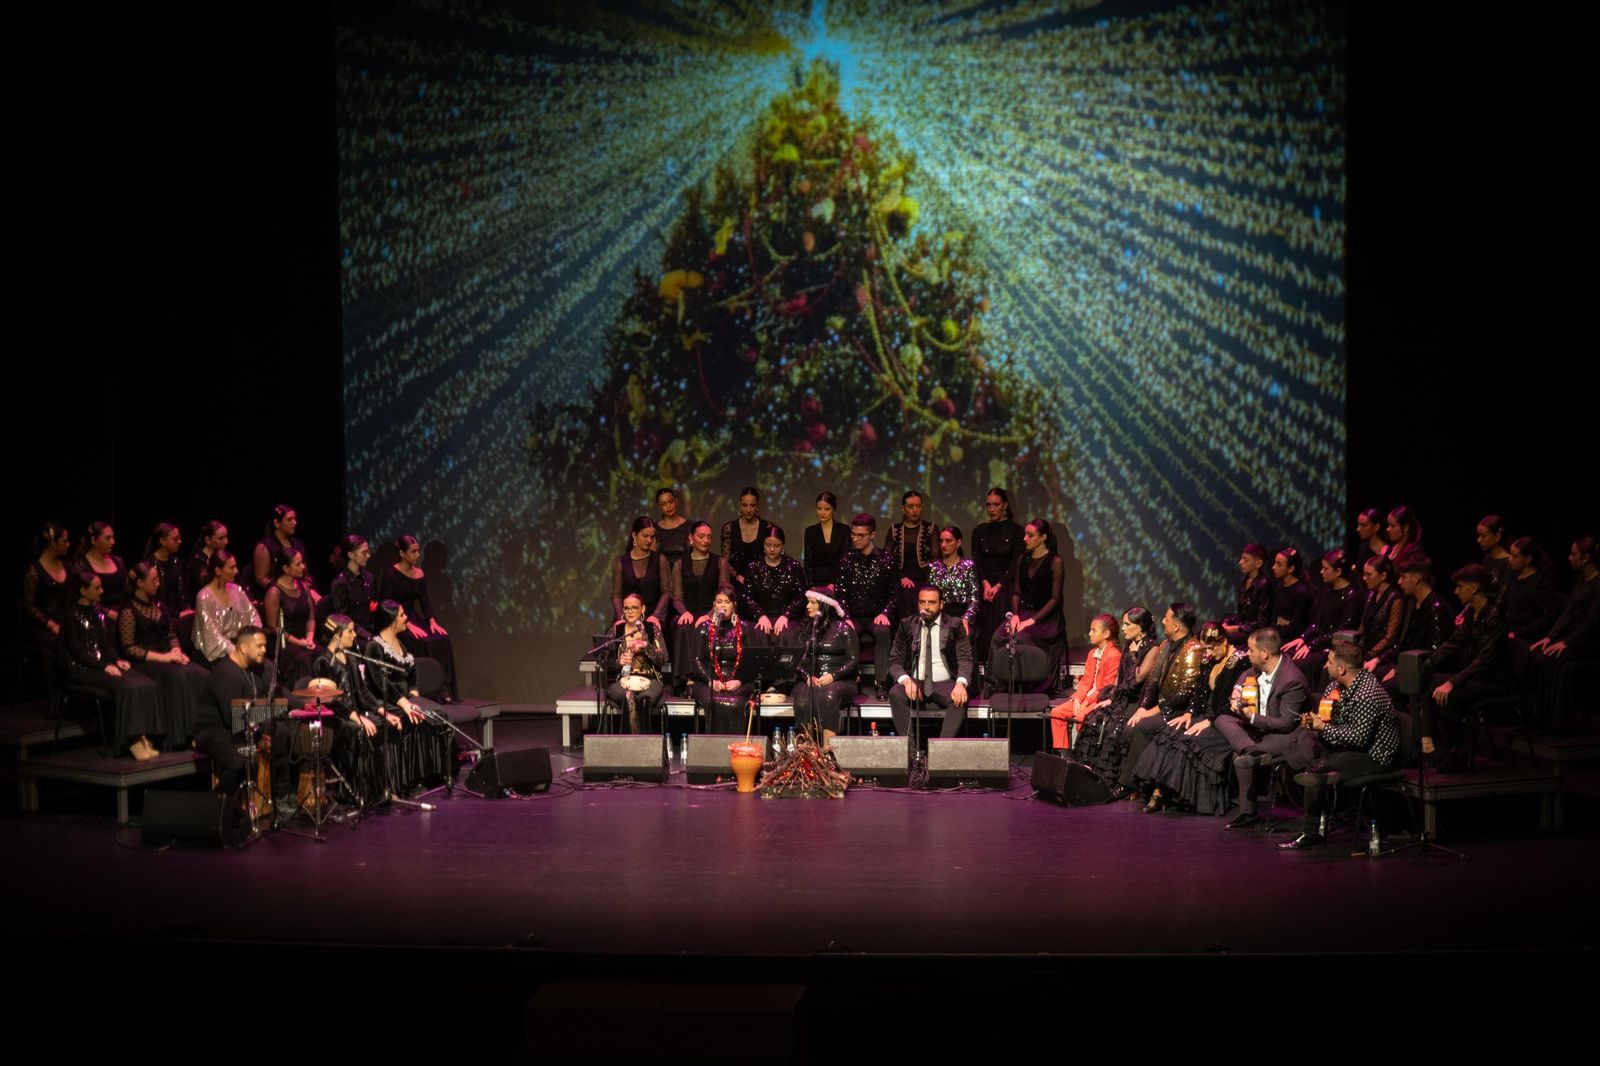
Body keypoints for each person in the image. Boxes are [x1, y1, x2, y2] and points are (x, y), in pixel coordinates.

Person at [1277, 643, 1401, 850]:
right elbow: (1328, 720)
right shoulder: (1334, 686)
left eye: (1330, 662)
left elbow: (1359, 739)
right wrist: (1316, 722)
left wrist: (1323, 729)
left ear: (1342, 668)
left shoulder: (1367, 693)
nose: (1326, 666)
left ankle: (1310, 830)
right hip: (1343, 746)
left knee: (1318, 767)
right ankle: (1318, 769)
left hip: (1373, 755)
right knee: (1299, 742)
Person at [1128, 621, 1249, 815]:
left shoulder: (1241, 661)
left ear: (1224, 641)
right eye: (1205, 648)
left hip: (1225, 720)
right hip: (1203, 715)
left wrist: (1210, 720)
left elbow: (1236, 701)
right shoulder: (1209, 660)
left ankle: (1166, 795)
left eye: (1212, 648)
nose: (1208, 653)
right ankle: (1159, 793)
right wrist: (1189, 713)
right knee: (1169, 733)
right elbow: (1199, 691)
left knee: (1188, 741)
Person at [191, 626, 293, 817]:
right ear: (244, 647)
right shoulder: (226, 673)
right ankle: (213, 806)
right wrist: (259, 733)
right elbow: (233, 718)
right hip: (214, 730)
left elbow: (268, 701)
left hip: (239, 725)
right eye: (259, 645)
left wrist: (299, 705)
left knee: (280, 732)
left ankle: (280, 796)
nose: (264, 650)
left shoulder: (252, 670)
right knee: (244, 757)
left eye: (265, 645)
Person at [63, 571, 164, 760]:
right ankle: (131, 740)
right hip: (81, 668)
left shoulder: (98, 612)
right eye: (97, 587)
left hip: (103, 663)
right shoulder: (70, 616)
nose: (102, 591)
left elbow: (106, 644)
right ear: (83, 591)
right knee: (126, 686)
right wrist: (103, 667)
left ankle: (143, 736)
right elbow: (77, 651)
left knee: (144, 683)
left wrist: (117, 660)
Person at [1220, 627, 1312, 828]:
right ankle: (1249, 748)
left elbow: (1286, 724)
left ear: (1264, 653)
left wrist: (1251, 717)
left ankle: (1248, 813)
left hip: (1286, 736)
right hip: (1260, 730)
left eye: (1251, 650)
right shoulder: (1258, 668)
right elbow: (1245, 674)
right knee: (1221, 718)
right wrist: (1237, 690)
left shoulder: (1292, 680)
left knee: (1239, 756)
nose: (1247, 654)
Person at [1114, 603, 1208, 796]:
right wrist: (1142, 707)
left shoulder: (1194, 648)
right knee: (1131, 722)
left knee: (1142, 727)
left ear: (1176, 626)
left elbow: (1182, 692)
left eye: (1166, 618)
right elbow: (1152, 680)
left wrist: (1153, 711)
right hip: (1162, 705)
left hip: (1180, 710)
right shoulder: (1165, 645)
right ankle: (1134, 781)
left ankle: (1130, 784)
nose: (1162, 621)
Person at [1425, 566, 1511, 772]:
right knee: (1427, 681)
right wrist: (1424, 665)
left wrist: (1452, 681)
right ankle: (1433, 745)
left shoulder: (1494, 615)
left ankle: (1454, 754)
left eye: (1460, 587)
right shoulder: (1473, 613)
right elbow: (1453, 642)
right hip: (1476, 678)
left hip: (1494, 681)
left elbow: (1484, 660)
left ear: (1473, 588)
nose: (1455, 591)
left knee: (1452, 696)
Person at [311, 613, 400, 810]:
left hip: (355, 714)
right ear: (336, 635)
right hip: (335, 719)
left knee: (383, 726)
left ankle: (381, 789)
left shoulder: (351, 658)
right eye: (350, 631)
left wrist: (382, 711)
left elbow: (362, 692)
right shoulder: (323, 662)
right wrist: (357, 717)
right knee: (360, 731)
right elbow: (331, 702)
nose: (354, 635)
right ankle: (359, 792)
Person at [366, 600, 455, 794]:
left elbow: (412, 672)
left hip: (406, 697)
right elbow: (380, 682)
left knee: (438, 714)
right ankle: (409, 780)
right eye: (402, 615)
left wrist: (414, 692)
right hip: (387, 700)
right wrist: (406, 703)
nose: (406, 618)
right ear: (391, 621)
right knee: (414, 715)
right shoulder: (374, 647)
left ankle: (434, 774)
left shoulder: (402, 643)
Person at [119, 561, 210, 750]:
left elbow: (171, 634)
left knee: (200, 673)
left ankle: (204, 731)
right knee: (178, 676)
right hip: (145, 661)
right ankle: (181, 736)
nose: (158, 583)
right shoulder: (128, 611)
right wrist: (164, 657)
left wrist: (176, 651)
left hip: (167, 655)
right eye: (153, 580)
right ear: (140, 584)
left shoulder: (159, 605)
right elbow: (128, 647)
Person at [1074, 607, 1160, 777]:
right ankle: (1087, 771)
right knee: (1095, 717)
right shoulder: (1129, 643)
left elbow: (1138, 678)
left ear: (1140, 626)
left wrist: (1135, 653)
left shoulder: (1152, 648)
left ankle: (1111, 776)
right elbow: (1120, 676)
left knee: (1114, 726)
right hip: (1122, 696)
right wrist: (1112, 696)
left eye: (1127, 624)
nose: (1123, 628)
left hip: (1138, 700)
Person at [1529, 536, 1599, 731]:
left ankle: (1557, 722)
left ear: (1585, 558)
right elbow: (1567, 613)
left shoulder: (1598, 583)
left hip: (1589, 642)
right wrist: (1549, 637)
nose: (1569, 558)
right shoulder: (1580, 579)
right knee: (1538, 654)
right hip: (1575, 639)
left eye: (1573, 554)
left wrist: (1566, 642)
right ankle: (1541, 716)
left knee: (1551, 659)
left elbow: (1591, 620)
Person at [886, 585, 973, 741]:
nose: (926, 607)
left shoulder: (955, 624)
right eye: (922, 602)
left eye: (932, 602)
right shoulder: (907, 624)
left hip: (945, 683)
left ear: (941, 604)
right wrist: (906, 681)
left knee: (959, 699)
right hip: (915, 682)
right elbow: (894, 661)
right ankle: (910, 753)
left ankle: (940, 752)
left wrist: (961, 684)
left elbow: (965, 658)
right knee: (895, 693)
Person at [380, 534, 456, 701]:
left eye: (418, 551)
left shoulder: (419, 573)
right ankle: (424, 689)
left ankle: (443, 687)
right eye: (413, 552)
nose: (417, 555)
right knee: (420, 641)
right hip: (396, 620)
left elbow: (425, 601)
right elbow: (386, 604)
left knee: (442, 638)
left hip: (413, 617)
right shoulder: (390, 575)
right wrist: (406, 624)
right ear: (402, 553)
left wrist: (432, 621)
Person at [835, 513, 898, 694]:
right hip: (853, 615)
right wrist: (845, 616)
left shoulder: (886, 559)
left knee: (883, 632)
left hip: (876, 614)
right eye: (853, 535)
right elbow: (840, 593)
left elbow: (894, 593)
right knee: (847, 631)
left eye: (860, 535)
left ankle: (881, 682)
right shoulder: (846, 560)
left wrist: (885, 612)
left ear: (872, 535)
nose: (855, 539)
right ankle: (852, 680)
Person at [1045, 613, 1122, 752]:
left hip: (1100, 700)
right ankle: (1064, 754)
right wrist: (1077, 700)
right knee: (1057, 712)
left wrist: (1086, 702)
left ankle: (1081, 755)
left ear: (1106, 633)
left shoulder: (1114, 655)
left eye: (1093, 630)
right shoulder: (1092, 653)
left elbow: (1106, 687)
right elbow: (1085, 681)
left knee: (1081, 717)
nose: (1089, 633)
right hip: (1085, 698)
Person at [791, 589, 859, 742]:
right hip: (811, 679)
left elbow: (853, 661)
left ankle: (826, 753)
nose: (808, 606)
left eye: (813, 603)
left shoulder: (844, 629)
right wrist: (807, 676)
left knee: (828, 696)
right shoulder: (805, 629)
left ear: (825, 606)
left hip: (840, 680)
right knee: (802, 699)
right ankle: (808, 752)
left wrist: (833, 676)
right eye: (808, 602)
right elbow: (796, 661)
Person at [671, 521, 730, 691]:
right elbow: (677, 597)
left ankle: (707, 676)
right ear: (691, 538)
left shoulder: (720, 563)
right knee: (683, 625)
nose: (705, 540)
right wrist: (684, 612)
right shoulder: (680, 564)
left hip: (713, 612)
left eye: (709, 537)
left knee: (707, 625)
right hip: (688, 612)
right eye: (701, 536)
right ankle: (688, 678)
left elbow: (723, 594)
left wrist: (710, 614)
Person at [1281, 550, 1362, 668]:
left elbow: (1340, 633)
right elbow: (1315, 623)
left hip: (1334, 648)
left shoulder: (1352, 598)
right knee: (1283, 655)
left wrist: (1311, 645)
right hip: (1318, 643)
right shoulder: (1326, 590)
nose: (1321, 572)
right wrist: (1302, 638)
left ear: (1338, 571)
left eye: (1325, 569)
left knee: (1295, 663)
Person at [600, 592, 668, 732]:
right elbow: (603, 661)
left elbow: (663, 658)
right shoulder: (616, 631)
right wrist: (618, 662)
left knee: (645, 699)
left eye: (634, 608)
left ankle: (646, 744)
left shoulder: (652, 629)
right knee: (629, 696)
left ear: (642, 609)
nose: (630, 611)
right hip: (621, 680)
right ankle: (629, 744)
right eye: (626, 608)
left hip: (650, 680)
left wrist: (647, 647)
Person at [690, 586, 754, 734]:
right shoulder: (704, 628)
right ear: (714, 605)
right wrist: (710, 680)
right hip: (709, 681)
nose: (723, 605)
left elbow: (751, 660)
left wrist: (739, 680)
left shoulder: (745, 628)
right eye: (719, 602)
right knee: (714, 702)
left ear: (734, 605)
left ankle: (734, 746)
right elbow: (697, 660)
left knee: (735, 703)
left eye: (727, 602)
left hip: (738, 681)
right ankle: (714, 749)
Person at [971, 488, 1024, 664]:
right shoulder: (979, 530)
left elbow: (1016, 563)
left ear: (1005, 505)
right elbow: (977, 561)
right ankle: (982, 664)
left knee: (1002, 601)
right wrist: (986, 583)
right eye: (989, 505)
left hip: (1006, 584)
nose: (992, 509)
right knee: (980, 606)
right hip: (985, 583)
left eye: (996, 504)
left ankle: (1000, 664)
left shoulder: (1015, 531)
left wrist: (998, 585)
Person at [998, 518, 1064, 654]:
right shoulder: (1022, 560)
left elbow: (1055, 599)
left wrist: (1031, 621)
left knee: (1021, 639)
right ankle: (1000, 676)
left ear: (1043, 537)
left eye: (1030, 535)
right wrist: (1016, 615)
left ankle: (1025, 674)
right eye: (1025, 534)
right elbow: (1016, 593)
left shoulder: (1055, 561)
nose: (1025, 538)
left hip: (1045, 619)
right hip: (1023, 614)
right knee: (998, 638)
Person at [739, 524, 807, 648]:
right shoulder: (753, 567)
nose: (771, 549)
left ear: (783, 546)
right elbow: (747, 596)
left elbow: (801, 596)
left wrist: (786, 615)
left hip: (787, 618)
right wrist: (760, 615)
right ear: (763, 545)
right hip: (760, 617)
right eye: (768, 545)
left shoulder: (794, 566)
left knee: (786, 634)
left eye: (776, 546)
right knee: (758, 634)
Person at [192, 550, 262, 664]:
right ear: (218, 571)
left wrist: (252, 639)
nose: (236, 571)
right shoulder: (204, 597)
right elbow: (212, 636)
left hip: (239, 644)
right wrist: (238, 651)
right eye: (231, 568)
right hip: (215, 651)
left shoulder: (236, 589)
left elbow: (253, 617)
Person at [264, 548, 318, 687]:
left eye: (302, 563)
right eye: (298, 564)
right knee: (304, 659)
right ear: (286, 568)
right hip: (285, 643)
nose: (303, 567)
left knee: (323, 653)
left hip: (304, 640)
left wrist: (309, 637)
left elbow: (311, 617)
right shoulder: (274, 592)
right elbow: (273, 627)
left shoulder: (303, 587)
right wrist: (299, 643)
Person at [21, 522, 72, 651]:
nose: (68, 544)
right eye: (64, 541)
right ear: (52, 543)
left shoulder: (67, 566)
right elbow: (29, 605)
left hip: (65, 622)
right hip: (43, 626)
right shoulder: (34, 571)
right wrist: (51, 625)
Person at [1500, 536, 1561, 644]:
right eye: (1510, 554)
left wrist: (1518, 633)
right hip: (1511, 631)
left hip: (1527, 637)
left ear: (1528, 559)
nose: (1509, 558)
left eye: (1515, 556)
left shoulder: (1540, 584)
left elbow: (1547, 618)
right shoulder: (1514, 575)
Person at [885, 490, 936, 616]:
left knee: (922, 594)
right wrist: (901, 576)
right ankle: (907, 632)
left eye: (918, 506)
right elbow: (887, 559)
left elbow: (936, 559)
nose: (915, 510)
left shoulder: (931, 529)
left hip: (925, 578)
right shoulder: (894, 530)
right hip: (901, 579)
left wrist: (929, 581)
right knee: (906, 594)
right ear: (903, 508)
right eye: (910, 506)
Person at [611, 517, 670, 623]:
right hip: (628, 617)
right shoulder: (621, 562)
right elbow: (617, 595)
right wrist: (621, 617)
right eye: (645, 536)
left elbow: (666, 592)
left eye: (652, 537)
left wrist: (656, 616)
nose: (649, 540)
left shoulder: (661, 560)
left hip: (652, 617)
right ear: (634, 535)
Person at [1357, 555, 1405, 674]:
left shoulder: (1395, 599)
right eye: (1364, 574)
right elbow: (1363, 625)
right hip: (1366, 650)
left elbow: (1390, 637)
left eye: (1369, 574)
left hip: (1383, 656)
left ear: (1383, 575)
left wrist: (1369, 655)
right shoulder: (1370, 595)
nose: (1364, 578)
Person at [927, 525, 978, 635]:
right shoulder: (934, 567)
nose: (943, 545)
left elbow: (974, 598)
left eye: (948, 541)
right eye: (941, 541)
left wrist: (966, 619)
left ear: (958, 543)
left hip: (961, 614)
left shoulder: (967, 566)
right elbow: (929, 595)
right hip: (940, 615)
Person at [251, 505, 309, 602]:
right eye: (289, 520)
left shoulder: (298, 545)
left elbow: (305, 572)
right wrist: (285, 590)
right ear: (277, 523)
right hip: (276, 597)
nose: (294, 523)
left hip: (298, 591)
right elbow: (261, 579)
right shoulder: (264, 547)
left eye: (295, 519)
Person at [328, 534, 380, 639]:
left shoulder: (369, 578)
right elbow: (343, 619)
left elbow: (374, 606)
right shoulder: (339, 584)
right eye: (364, 552)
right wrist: (366, 635)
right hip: (353, 636)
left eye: (368, 551)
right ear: (351, 555)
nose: (368, 555)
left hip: (372, 631)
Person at [75, 521, 127, 621]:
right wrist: (109, 613)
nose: (113, 542)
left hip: (122, 616)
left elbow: (126, 591)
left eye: (112, 537)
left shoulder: (118, 561)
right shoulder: (81, 565)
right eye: (107, 538)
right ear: (94, 540)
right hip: (97, 617)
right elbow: (83, 598)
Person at [1222, 543, 1271, 645]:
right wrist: (1227, 622)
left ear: (1258, 563)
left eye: (1245, 560)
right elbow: (1241, 614)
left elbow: (1262, 622)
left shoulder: (1264, 585)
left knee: (1224, 638)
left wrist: (1238, 628)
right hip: (1242, 627)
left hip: (1254, 632)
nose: (1240, 562)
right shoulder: (1244, 582)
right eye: (1241, 559)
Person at [721, 487, 772, 581]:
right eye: (745, 505)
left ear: (757, 506)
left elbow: (773, 558)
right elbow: (725, 561)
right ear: (739, 505)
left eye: (752, 505)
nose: (748, 510)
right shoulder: (729, 528)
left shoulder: (767, 528)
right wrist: (738, 577)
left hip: (762, 582)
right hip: (735, 583)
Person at [143, 522, 191, 620]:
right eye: (175, 539)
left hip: (181, 614)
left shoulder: (177, 562)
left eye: (179, 538)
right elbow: (154, 598)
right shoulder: (150, 565)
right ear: (162, 541)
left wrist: (186, 610)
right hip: (161, 616)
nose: (179, 541)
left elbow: (183, 592)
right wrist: (176, 614)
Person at [803, 491, 846, 589]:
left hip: (839, 584)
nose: (822, 513)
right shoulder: (810, 531)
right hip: (816, 584)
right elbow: (808, 562)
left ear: (834, 510)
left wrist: (834, 584)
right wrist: (812, 585)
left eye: (827, 509)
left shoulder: (844, 530)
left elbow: (845, 561)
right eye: (819, 509)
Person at [1269, 548, 1313, 642]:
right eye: (1274, 563)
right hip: (1277, 634)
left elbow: (1295, 627)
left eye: (1279, 564)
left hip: (1291, 638)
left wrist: (1273, 634)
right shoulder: (1279, 587)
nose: (1273, 567)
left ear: (1291, 568)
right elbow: (1274, 616)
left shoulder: (1301, 592)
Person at [653, 488, 691, 571]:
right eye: (663, 504)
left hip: (686, 577)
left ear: (676, 501)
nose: (668, 506)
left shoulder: (689, 527)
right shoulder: (654, 530)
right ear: (659, 507)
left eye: (670, 501)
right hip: (661, 579)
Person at [188, 520, 229, 596]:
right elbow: (205, 588)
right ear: (208, 540)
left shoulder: (224, 556)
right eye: (221, 538)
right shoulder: (198, 561)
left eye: (226, 537)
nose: (226, 542)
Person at [1476, 515, 1512, 595]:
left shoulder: (1508, 563)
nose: (1478, 540)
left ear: (1497, 537)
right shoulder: (1487, 559)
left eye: (1483, 536)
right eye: (1479, 535)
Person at [1384, 505, 1425, 569]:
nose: (1388, 529)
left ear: (1405, 527)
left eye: (1392, 526)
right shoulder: (1390, 549)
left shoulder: (1414, 552)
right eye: (1388, 525)